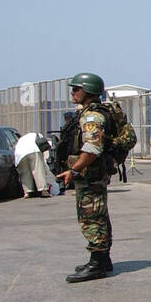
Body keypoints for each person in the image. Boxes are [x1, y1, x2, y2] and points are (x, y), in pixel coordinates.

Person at [56, 72, 116, 282]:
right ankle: (103, 259)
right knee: (98, 214)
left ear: (88, 91)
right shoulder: (89, 113)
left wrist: (74, 170)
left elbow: (92, 148)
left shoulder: (91, 117)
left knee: (91, 217)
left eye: (76, 89)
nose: (73, 93)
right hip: (92, 174)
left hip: (90, 174)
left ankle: (97, 264)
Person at [14, 131, 54, 197]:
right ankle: (43, 191)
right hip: (33, 150)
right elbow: (43, 144)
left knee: (25, 173)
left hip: (20, 154)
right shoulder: (38, 135)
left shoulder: (22, 139)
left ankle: (27, 192)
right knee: (38, 170)